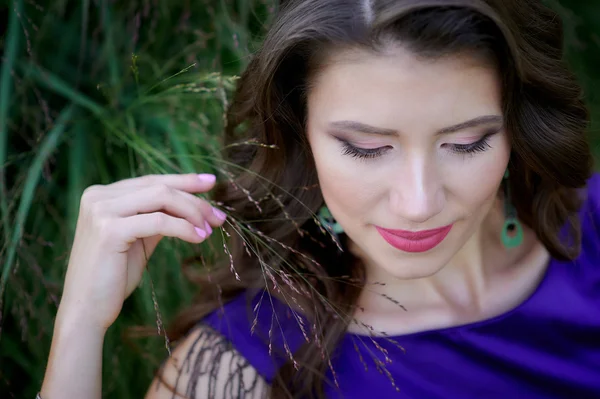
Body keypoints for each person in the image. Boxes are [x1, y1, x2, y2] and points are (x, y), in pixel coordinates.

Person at [39, 0, 600, 398]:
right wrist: (80, 325)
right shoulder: (244, 361)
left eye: (465, 143)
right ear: (298, 133)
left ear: (518, 128)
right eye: (364, 148)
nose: (418, 202)